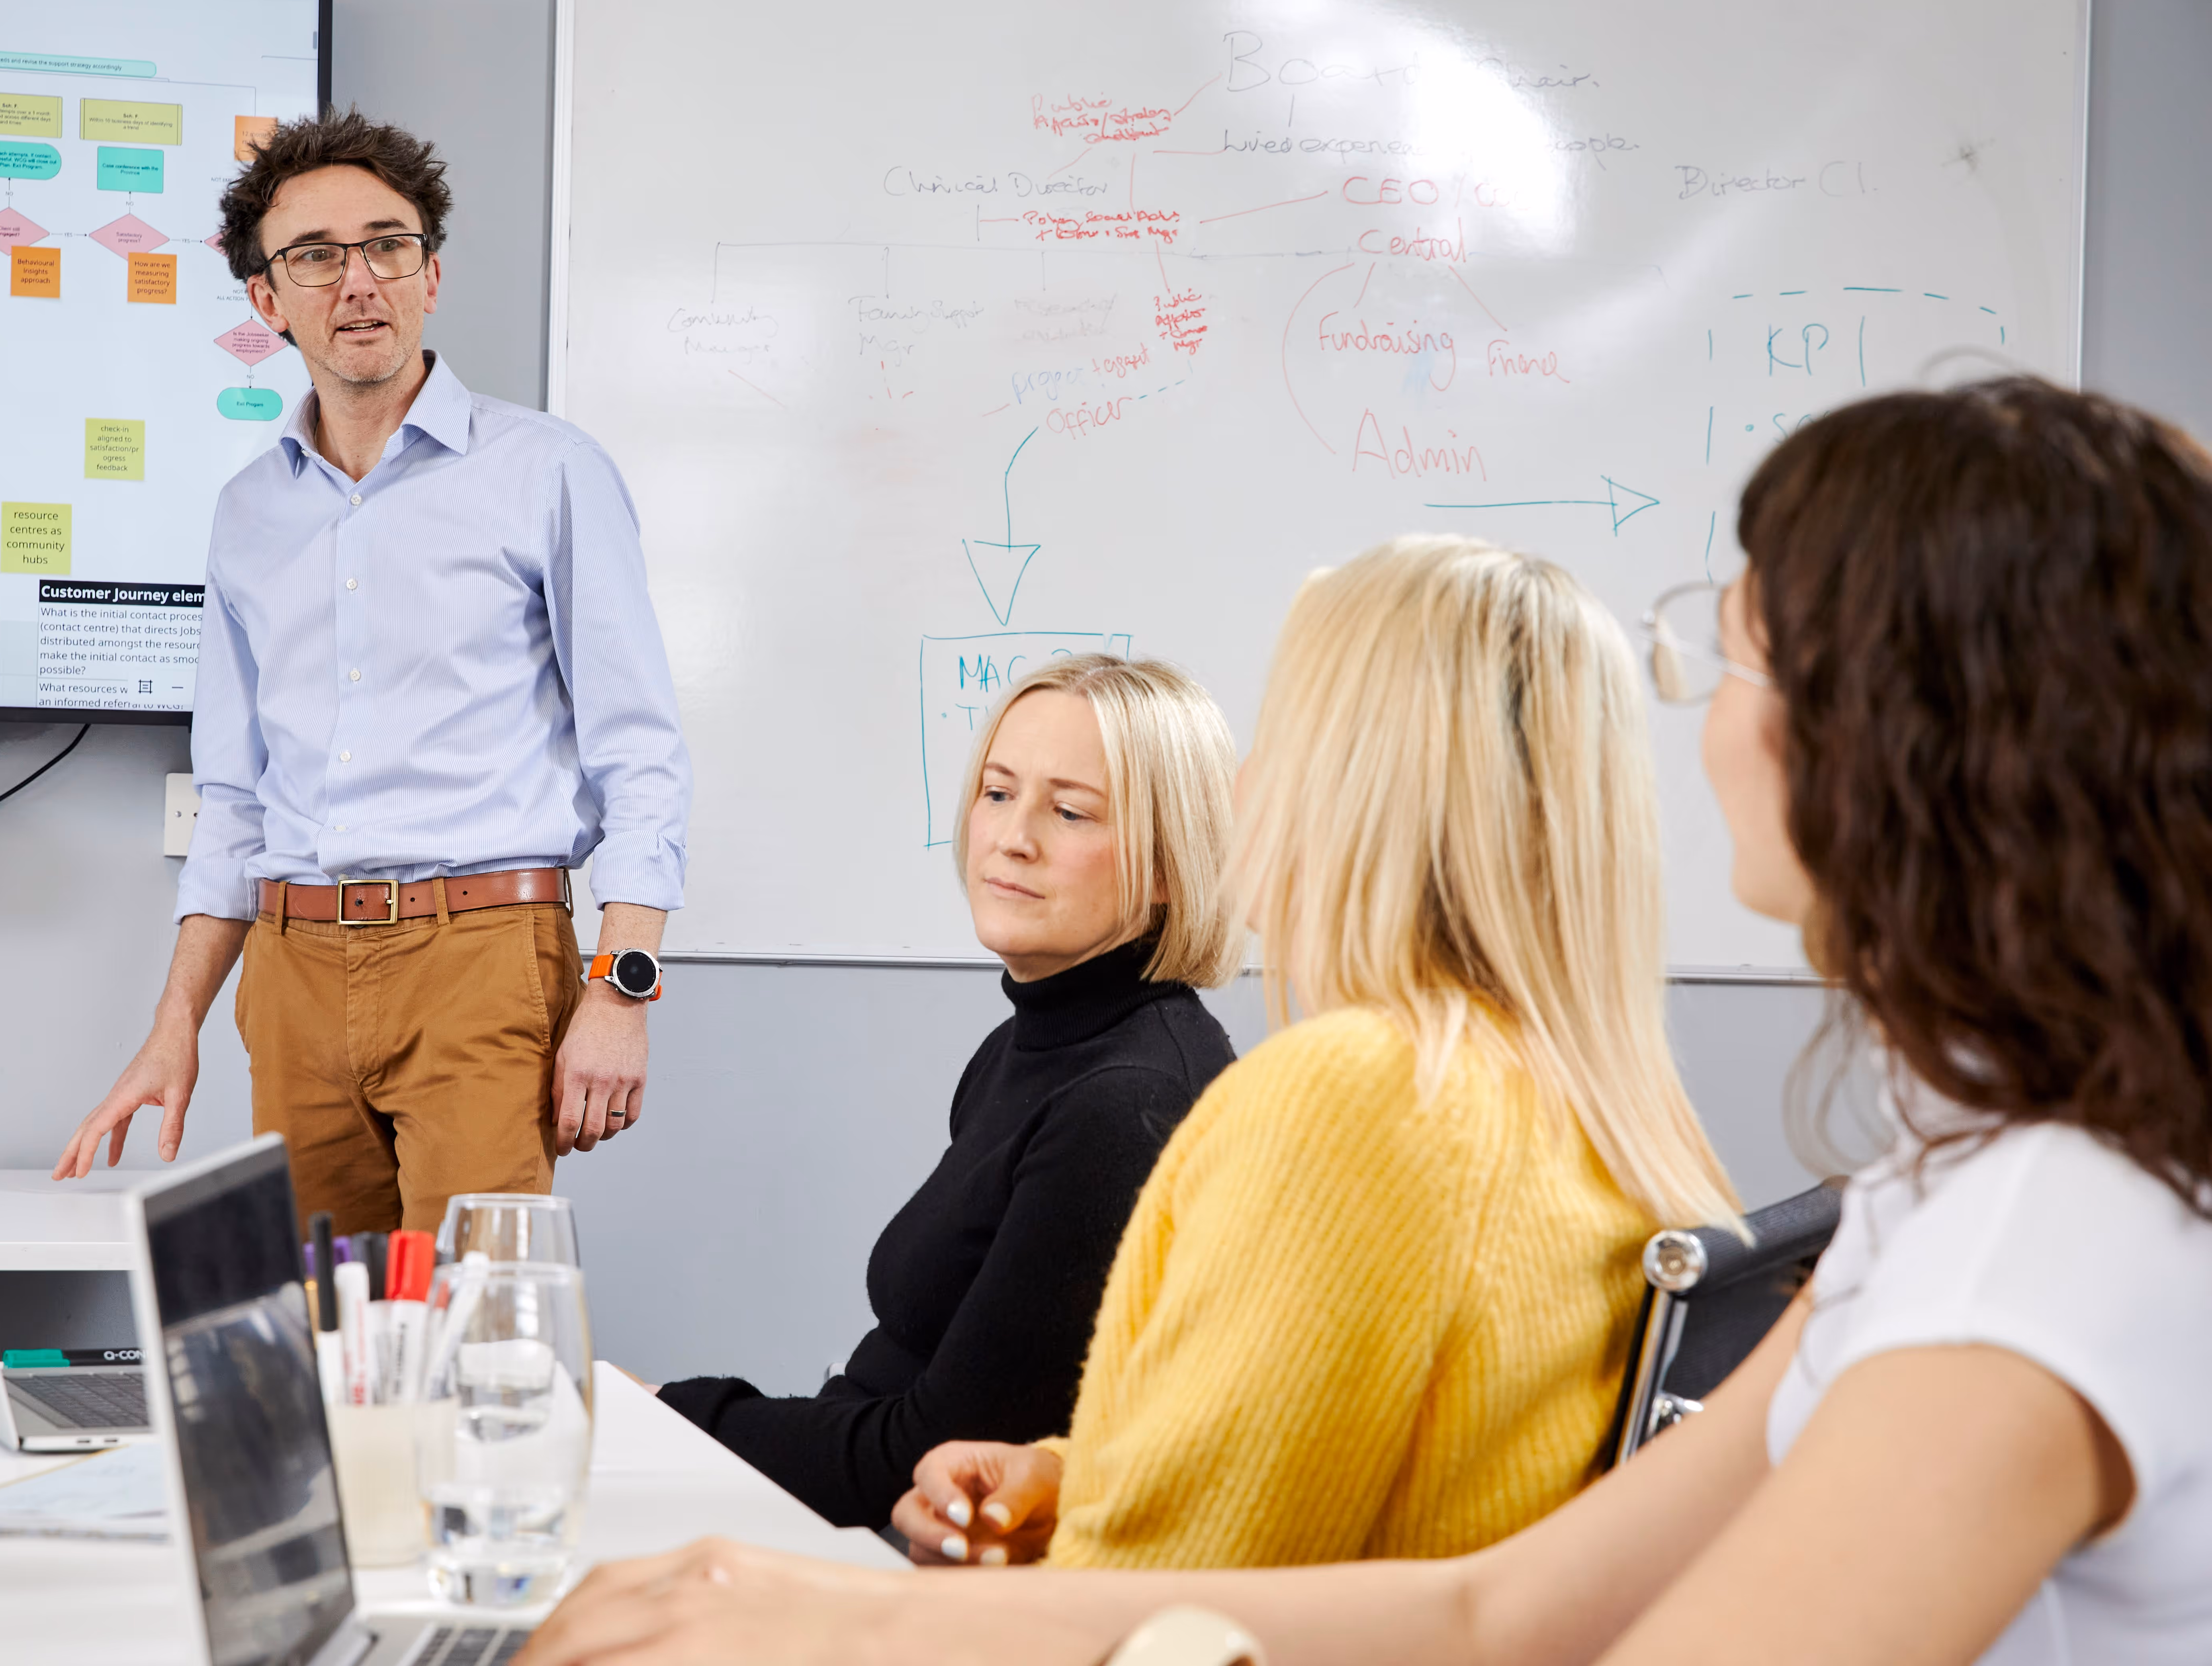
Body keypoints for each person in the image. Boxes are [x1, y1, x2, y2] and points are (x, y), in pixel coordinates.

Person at [523, 378, 2212, 1666]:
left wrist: (839, 1618)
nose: (1698, 731)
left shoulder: (2044, 1239)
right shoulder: (1952, 1183)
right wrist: (853, 1606)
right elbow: (1495, 1609)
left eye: (1739, 661)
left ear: (1909, 745)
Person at [876, 538, 1740, 1576]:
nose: (1240, 786)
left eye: (1280, 736)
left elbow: (1164, 1604)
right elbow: (1339, 1464)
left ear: (1360, 787)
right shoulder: (1584, 1099)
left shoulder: (1360, 1095)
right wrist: (1079, 1476)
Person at [50, 111, 691, 1237]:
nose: (359, 283)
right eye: (316, 257)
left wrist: (620, 987)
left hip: (483, 954)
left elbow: (639, 753)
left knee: (464, 1331)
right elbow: (237, 802)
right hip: (292, 972)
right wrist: (177, 1023)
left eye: (387, 247)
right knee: (316, 1334)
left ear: (430, 273)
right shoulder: (248, 514)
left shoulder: (547, 472)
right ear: (267, 301)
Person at [655, 654, 1240, 1530]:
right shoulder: (1024, 1045)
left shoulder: (1123, 1107)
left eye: (1069, 810)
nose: (1012, 836)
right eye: (998, 792)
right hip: (861, 1507)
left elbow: (936, 1458)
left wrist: (677, 1414)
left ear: (1167, 865)